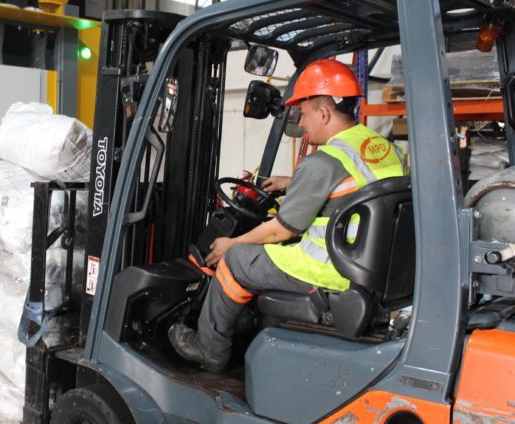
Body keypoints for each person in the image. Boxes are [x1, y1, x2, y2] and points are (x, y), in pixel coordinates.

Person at [168, 59, 406, 373]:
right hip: (371, 265)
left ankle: (209, 349)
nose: (302, 124)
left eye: (304, 114)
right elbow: (356, 185)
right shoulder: (382, 147)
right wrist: (292, 183)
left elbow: (283, 230)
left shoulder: (323, 162)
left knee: (236, 259)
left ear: (324, 113)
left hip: (327, 268)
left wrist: (232, 242)